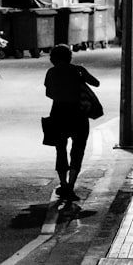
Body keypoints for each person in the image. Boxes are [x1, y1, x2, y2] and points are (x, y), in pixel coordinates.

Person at [44, 44, 100, 202]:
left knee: (60, 150)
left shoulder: (51, 72)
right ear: (69, 57)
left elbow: (49, 93)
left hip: (58, 113)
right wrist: (83, 72)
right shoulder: (77, 70)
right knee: (78, 150)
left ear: (53, 59)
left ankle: (63, 184)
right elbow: (96, 83)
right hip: (78, 114)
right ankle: (71, 185)